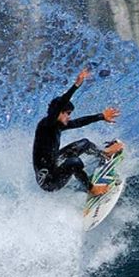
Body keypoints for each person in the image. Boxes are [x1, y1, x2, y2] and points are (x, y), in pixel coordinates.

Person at [33, 68, 124, 196]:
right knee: (74, 162)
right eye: (67, 114)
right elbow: (59, 105)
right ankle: (92, 189)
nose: (69, 117)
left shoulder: (57, 125)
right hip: (48, 181)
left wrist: (101, 116)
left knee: (84, 143)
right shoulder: (47, 125)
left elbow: (79, 122)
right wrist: (76, 85)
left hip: (54, 163)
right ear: (58, 113)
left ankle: (104, 154)